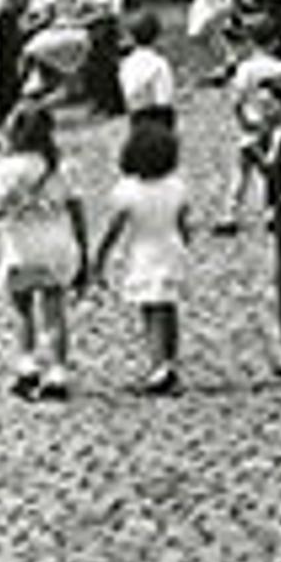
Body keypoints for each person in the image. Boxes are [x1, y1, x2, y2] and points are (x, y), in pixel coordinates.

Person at [84, 113, 191, 397]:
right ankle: (170, 361)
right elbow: (184, 224)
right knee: (169, 309)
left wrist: (100, 259)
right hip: (171, 248)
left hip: (144, 252)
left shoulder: (127, 190)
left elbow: (114, 229)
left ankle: (158, 368)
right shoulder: (177, 186)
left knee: (150, 311)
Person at [0, 103, 86, 404]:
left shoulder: (2, 170)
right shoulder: (64, 167)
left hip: (21, 247)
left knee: (22, 310)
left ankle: (27, 364)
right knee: (55, 312)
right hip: (57, 245)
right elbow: (77, 212)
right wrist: (85, 250)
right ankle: (57, 371)